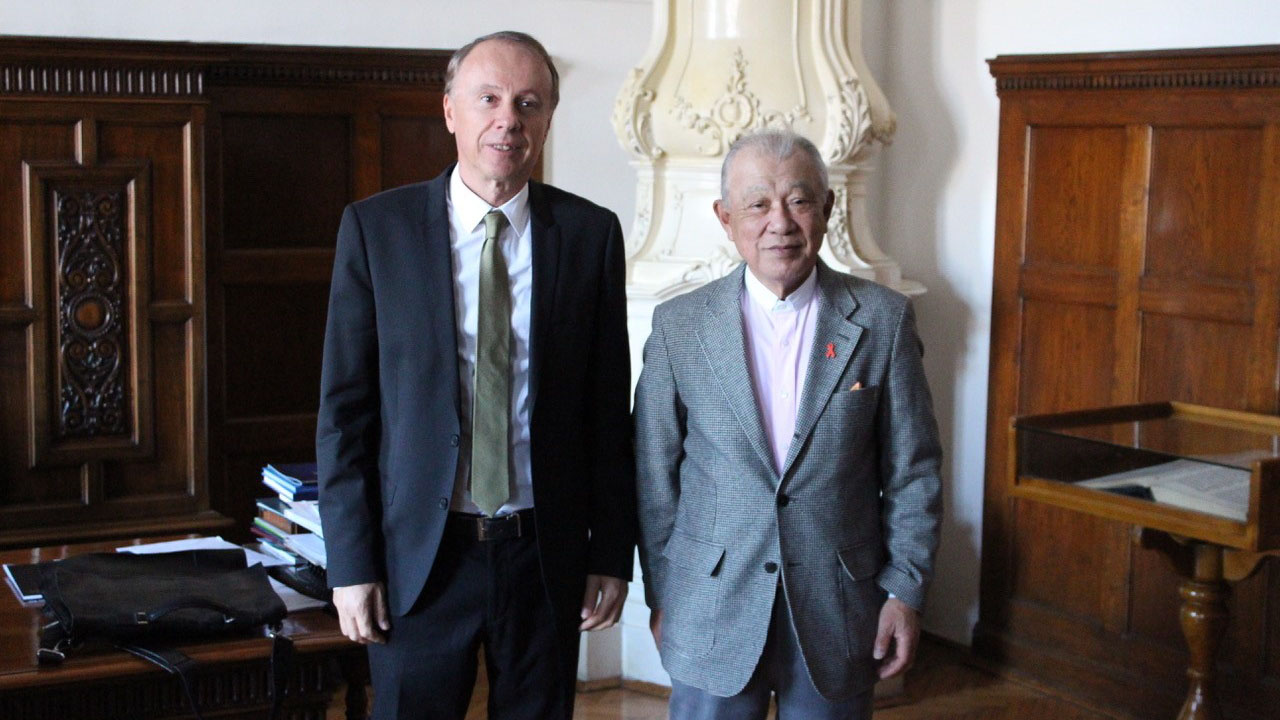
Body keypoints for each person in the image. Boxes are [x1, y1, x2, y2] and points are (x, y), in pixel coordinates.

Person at [316, 31, 635, 720]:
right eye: (488, 99)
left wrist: (611, 554)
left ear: (548, 118)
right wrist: (351, 566)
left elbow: (608, 414)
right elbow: (344, 415)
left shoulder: (591, 236)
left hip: (543, 558)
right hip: (419, 563)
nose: (508, 120)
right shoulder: (377, 230)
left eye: (528, 103)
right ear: (450, 111)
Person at [634, 129, 942, 719]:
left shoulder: (884, 321)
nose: (780, 222)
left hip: (840, 608)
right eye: (757, 204)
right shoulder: (679, 327)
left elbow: (914, 472)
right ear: (726, 219)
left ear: (827, 209)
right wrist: (665, 592)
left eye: (799, 200)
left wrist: (906, 591)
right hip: (710, 605)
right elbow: (654, 477)